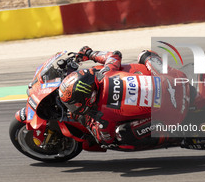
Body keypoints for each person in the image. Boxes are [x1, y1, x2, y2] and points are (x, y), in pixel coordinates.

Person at [59, 46, 190, 147]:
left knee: (122, 134)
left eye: (73, 104)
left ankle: (174, 135)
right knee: (145, 54)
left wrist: (85, 121)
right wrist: (89, 53)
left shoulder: (103, 115)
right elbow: (115, 55)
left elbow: (105, 139)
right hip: (175, 79)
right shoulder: (107, 73)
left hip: (175, 112)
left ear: (89, 97)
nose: (71, 107)